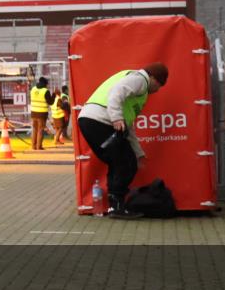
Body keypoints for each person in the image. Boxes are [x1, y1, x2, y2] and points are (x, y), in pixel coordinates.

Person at [77, 62, 169, 219]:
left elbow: (129, 127)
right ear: (152, 77)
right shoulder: (140, 79)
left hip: (90, 119)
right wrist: (117, 118)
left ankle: (115, 207)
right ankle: (117, 207)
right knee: (125, 163)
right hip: (100, 120)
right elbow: (116, 93)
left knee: (120, 161)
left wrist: (138, 153)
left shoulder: (138, 90)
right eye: (159, 84)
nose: (158, 89)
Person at [29, 76, 55, 150]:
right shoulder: (45, 91)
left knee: (34, 129)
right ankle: (39, 146)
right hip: (41, 114)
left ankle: (33, 146)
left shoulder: (33, 89)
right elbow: (50, 102)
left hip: (33, 112)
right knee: (40, 129)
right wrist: (53, 96)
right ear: (45, 83)